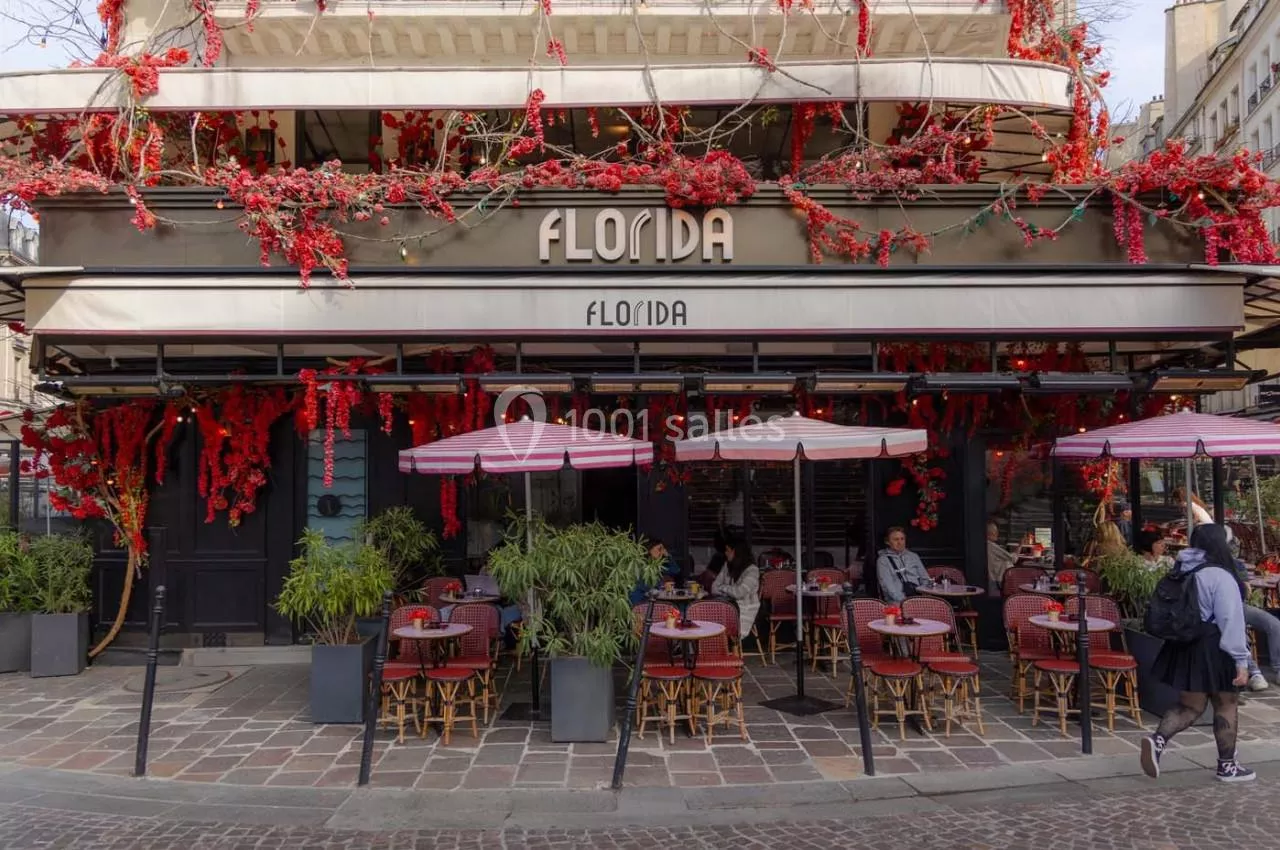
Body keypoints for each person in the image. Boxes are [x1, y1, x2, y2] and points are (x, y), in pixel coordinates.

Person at [1141, 523, 1255, 783]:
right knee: (1226, 704)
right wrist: (1241, 660)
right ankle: (1227, 766)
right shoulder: (1220, 576)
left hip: (1187, 644)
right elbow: (1230, 620)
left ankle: (1158, 740)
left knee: (1190, 705)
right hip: (1216, 646)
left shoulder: (1183, 568)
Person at [1225, 526, 1280, 691]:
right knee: (1238, 629)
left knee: (1275, 625)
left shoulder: (1237, 565)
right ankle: (1255, 672)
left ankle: (1278, 668)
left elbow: (1247, 590)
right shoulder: (1210, 565)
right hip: (1223, 609)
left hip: (1240, 605)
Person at [711, 537, 760, 636]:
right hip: (726, 606)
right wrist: (729, 590)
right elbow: (713, 588)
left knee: (711, 616)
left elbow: (739, 593)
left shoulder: (752, 570)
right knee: (705, 612)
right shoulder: (727, 566)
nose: (726, 553)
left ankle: (717, 640)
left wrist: (723, 587)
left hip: (744, 608)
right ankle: (711, 641)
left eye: (728, 550)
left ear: (737, 552)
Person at [876, 526, 931, 603]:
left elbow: (925, 579)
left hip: (918, 598)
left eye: (902, 539)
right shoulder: (883, 560)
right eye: (896, 539)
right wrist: (905, 601)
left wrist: (923, 596)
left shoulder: (913, 556)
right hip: (897, 601)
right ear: (887, 542)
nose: (900, 542)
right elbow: (888, 587)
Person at [630, 538, 682, 606]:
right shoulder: (640, 565)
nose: (661, 552)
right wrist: (660, 586)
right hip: (640, 602)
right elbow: (643, 587)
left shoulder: (658, 567)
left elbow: (676, 570)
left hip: (652, 601)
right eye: (659, 549)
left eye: (662, 550)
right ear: (650, 549)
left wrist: (668, 555)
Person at [986, 521, 1015, 595]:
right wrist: (1020, 545)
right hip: (995, 581)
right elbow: (1013, 559)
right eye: (995, 532)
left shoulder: (989, 545)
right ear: (988, 533)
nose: (997, 534)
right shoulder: (991, 546)